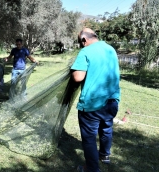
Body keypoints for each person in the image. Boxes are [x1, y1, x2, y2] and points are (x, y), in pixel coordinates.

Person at [71, 28, 120, 172]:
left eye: (80, 43)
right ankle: (105, 155)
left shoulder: (86, 51)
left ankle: (91, 169)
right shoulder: (111, 49)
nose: (81, 45)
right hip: (112, 101)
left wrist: (72, 70)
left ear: (84, 40)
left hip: (93, 103)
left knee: (89, 138)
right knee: (106, 127)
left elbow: (77, 77)